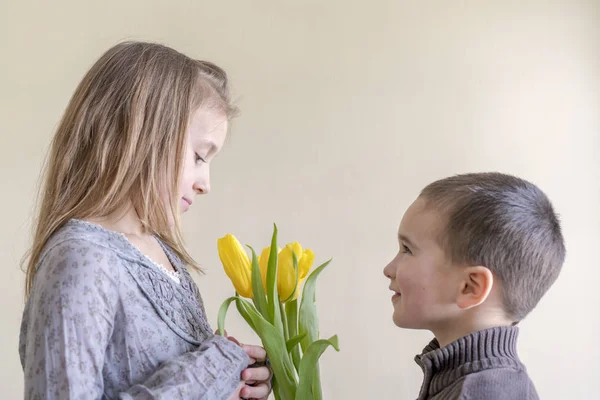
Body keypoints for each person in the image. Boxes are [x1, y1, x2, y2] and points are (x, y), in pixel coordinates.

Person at [19, 41, 271, 400]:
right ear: (143, 137)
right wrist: (212, 370)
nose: (206, 184)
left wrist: (237, 380)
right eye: (199, 156)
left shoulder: (165, 256)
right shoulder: (82, 260)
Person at [383, 172, 565, 399]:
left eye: (407, 250)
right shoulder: (474, 381)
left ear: (470, 287)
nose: (388, 269)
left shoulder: (481, 393)